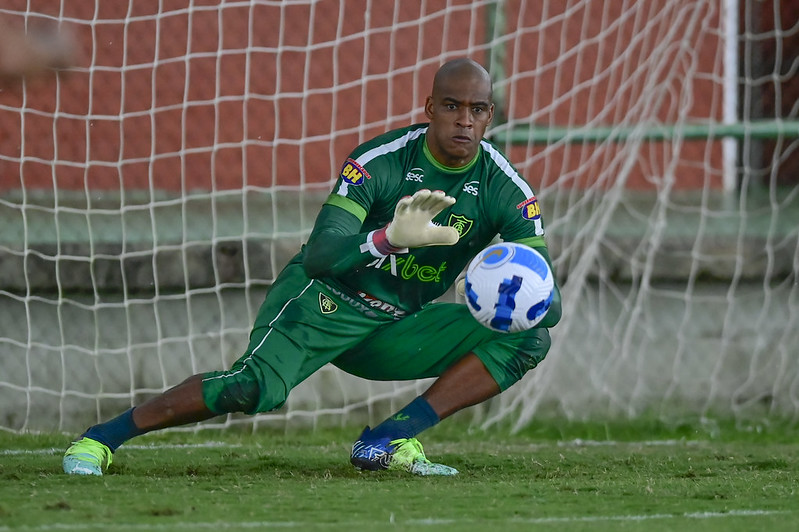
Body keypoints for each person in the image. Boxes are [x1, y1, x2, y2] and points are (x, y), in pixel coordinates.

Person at [62, 58, 562, 477]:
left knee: (529, 336)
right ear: (431, 108)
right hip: (323, 301)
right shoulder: (379, 161)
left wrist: (494, 280)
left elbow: (550, 304)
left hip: (392, 324)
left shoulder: (504, 187)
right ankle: (102, 438)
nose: (464, 120)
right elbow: (322, 256)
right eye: (451, 106)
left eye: (476, 109)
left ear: (490, 115)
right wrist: (387, 240)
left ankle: (388, 441)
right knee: (252, 389)